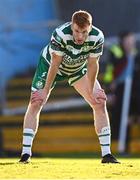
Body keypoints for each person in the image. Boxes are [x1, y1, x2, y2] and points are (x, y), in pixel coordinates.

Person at [19, 10, 119, 163]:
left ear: (90, 27)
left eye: (84, 32)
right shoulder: (60, 33)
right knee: (36, 102)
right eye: (76, 31)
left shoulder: (97, 37)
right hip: (50, 66)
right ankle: (25, 154)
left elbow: (93, 64)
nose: (79, 36)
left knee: (99, 102)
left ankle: (107, 155)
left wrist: (92, 89)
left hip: (77, 69)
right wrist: (45, 91)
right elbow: (55, 63)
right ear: (72, 26)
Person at [103, 31, 140, 153]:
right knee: (121, 117)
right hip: (121, 92)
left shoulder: (136, 55)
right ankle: (122, 147)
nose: (131, 44)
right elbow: (111, 73)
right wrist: (109, 88)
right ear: (122, 42)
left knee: (129, 116)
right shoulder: (116, 54)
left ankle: (134, 117)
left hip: (135, 92)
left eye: (132, 41)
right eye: (128, 41)